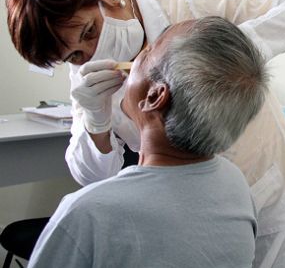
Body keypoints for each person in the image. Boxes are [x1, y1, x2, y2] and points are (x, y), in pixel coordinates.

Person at [6, 0, 285, 268]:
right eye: (74, 55)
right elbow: (93, 175)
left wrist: (227, 48)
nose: (90, 52)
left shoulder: (186, 2)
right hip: (181, 212)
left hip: (259, 181)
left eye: (89, 31)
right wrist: (96, 119)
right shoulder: (86, 75)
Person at [28, 17, 267, 267]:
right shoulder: (234, 183)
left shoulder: (88, 214)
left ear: (154, 96)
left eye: (150, 49)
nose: (141, 52)